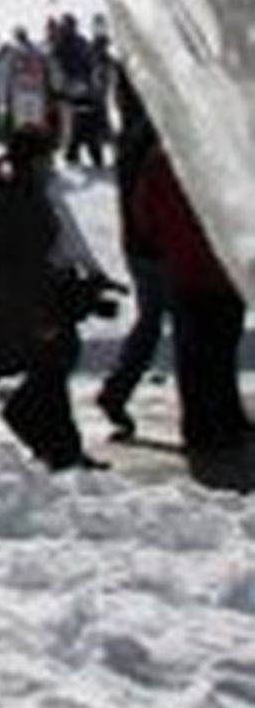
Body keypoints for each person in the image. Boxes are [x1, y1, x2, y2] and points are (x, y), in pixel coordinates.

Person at [0, 125, 118, 470]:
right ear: (36, 159)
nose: (52, 164)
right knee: (45, 361)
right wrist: (45, 315)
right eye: (49, 157)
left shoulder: (2, 189)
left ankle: (56, 447)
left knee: (1, 371)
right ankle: (44, 439)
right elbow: (26, 269)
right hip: (11, 308)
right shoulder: (24, 203)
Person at [130, 133, 251, 479]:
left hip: (185, 269)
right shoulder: (217, 162)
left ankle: (204, 424)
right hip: (220, 268)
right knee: (220, 347)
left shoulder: (160, 163)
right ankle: (223, 420)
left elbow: (145, 216)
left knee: (196, 352)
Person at [95, 73, 169, 440]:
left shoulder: (129, 136)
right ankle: (116, 390)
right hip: (158, 245)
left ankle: (117, 390)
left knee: (153, 321)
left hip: (141, 245)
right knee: (177, 322)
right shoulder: (149, 136)